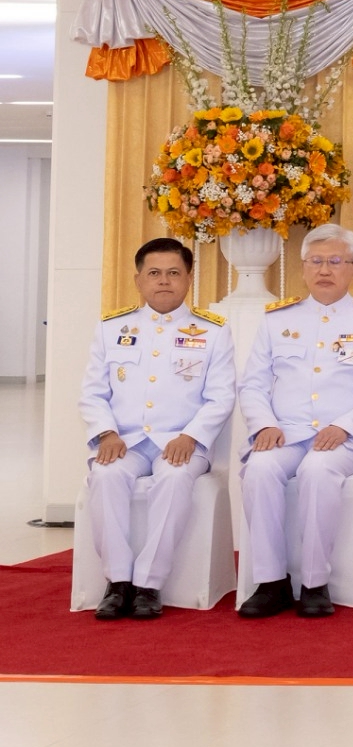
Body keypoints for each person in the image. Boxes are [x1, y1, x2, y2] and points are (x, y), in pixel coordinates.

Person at [237, 224, 353, 619]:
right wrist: (264, 425)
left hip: (348, 440)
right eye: (316, 261)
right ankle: (271, 582)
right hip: (285, 433)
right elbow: (253, 384)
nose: (324, 270)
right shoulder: (277, 319)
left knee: (317, 469)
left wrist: (344, 427)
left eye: (335, 261)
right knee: (259, 469)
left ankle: (314, 583)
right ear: (303, 267)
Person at [77, 239, 237, 620]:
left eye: (173, 273)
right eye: (154, 273)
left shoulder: (213, 332)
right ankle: (118, 581)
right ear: (138, 280)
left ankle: (148, 583)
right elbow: (92, 393)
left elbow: (221, 397)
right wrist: (106, 433)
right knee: (106, 475)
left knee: (174, 479)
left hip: (182, 442)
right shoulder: (112, 328)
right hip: (126, 441)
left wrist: (191, 437)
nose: (163, 281)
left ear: (189, 279)